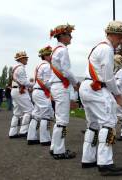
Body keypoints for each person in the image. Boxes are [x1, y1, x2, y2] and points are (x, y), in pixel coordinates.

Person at [79, 20, 122, 176]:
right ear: (114, 35)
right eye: (121, 37)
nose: (121, 41)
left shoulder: (97, 47)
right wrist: (118, 96)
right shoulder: (107, 49)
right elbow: (108, 77)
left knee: (93, 124)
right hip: (97, 88)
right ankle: (105, 163)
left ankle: (88, 159)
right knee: (108, 124)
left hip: (87, 87)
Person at [48, 23, 80, 159]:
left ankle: (54, 147)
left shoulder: (55, 51)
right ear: (62, 36)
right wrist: (76, 83)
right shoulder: (63, 50)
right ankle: (59, 151)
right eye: (69, 35)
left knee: (59, 119)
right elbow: (66, 71)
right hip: (61, 86)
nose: (71, 37)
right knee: (62, 120)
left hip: (57, 86)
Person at [27, 46, 54, 146]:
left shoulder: (39, 65)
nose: (51, 56)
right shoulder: (47, 66)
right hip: (42, 92)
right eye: (50, 54)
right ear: (46, 56)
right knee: (46, 114)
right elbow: (47, 82)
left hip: (37, 91)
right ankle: (45, 139)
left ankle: (31, 137)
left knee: (37, 114)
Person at [8, 51, 34, 138]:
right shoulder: (21, 68)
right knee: (29, 110)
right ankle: (24, 131)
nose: (27, 60)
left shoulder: (15, 67)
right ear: (21, 59)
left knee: (17, 113)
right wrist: (34, 84)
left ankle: (12, 132)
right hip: (20, 91)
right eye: (25, 58)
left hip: (15, 90)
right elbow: (23, 82)